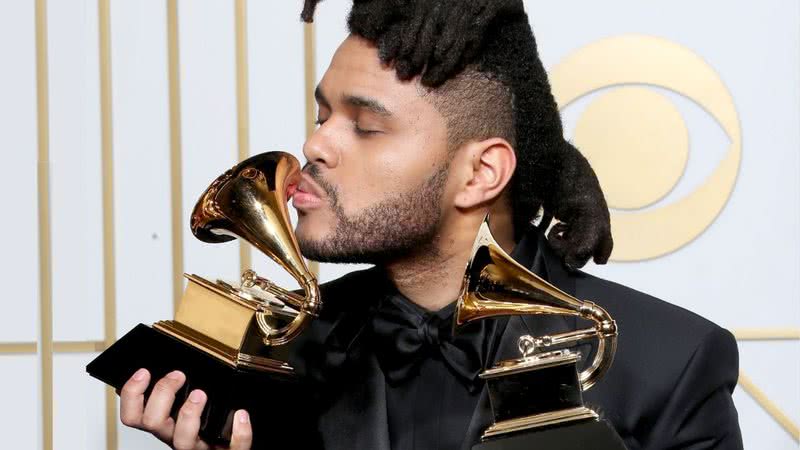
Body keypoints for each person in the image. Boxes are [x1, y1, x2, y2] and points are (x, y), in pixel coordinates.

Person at [118, 1, 744, 449]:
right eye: (321, 113)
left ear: (481, 173)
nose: (314, 144)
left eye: (364, 125)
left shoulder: (670, 364)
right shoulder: (281, 354)